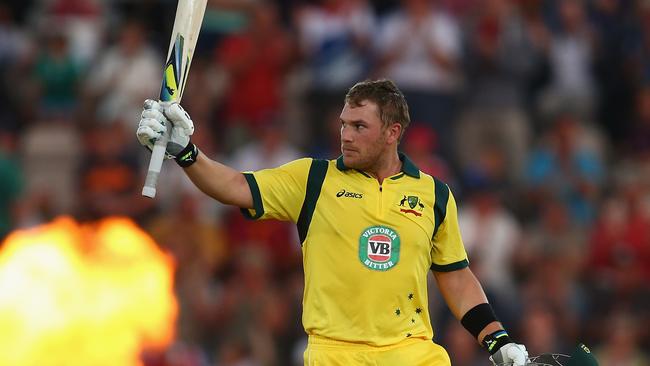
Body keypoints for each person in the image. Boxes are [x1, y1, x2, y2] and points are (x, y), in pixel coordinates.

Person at [136, 79, 528, 366]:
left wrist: (497, 339)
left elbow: (456, 277)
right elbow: (235, 186)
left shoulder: (435, 194)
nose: (346, 136)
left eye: (360, 127)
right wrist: (186, 152)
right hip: (335, 352)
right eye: (344, 124)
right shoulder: (314, 179)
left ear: (393, 133)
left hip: (412, 352)